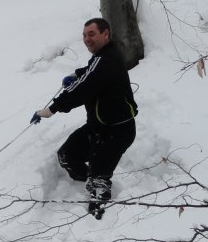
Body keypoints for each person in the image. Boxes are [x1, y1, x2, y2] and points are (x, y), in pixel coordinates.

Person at [31, 18, 138, 214]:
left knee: (99, 184)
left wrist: (52, 109)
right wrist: (77, 74)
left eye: (92, 34)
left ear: (105, 34)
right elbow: (91, 73)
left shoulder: (106, 59)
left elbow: (83, 89)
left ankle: (100, 220)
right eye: (84, 35)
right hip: (97, 127)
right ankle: (91, 176)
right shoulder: (103, 57)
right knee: (67, 156)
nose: (87, 39)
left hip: (116, 132)